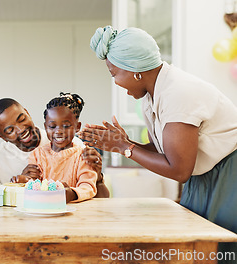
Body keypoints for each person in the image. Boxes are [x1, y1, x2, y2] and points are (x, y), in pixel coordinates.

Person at [83, 25, 237, 253]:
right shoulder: (152, 95)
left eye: (114, 73)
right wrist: (122, 145)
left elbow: (179, 170)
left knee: (220, 251)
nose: (115, 81)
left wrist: (125, 147)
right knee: (196, 250)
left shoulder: (178, 93)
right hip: (205, 177)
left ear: (135, 70)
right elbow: (165, 151)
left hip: (228, 176)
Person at [0, 98, 110, 198]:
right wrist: (23, 184)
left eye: (22, 119)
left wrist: (98, 177)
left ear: (28, 113)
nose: (21, 129)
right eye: (10, 130)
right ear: (2, 137)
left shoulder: (75, 146)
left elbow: (96, 195)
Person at [28, 93, 97, 203]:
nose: (59, 131)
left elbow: (88, 187)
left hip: (75, 213)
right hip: (44, 210)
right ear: (45, 127)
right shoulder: (37, 155)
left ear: (77, 127)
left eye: (66, 126)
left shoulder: (83, 156)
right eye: (52, 126)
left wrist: (72, 194)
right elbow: (32, 184)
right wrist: (24, 180)